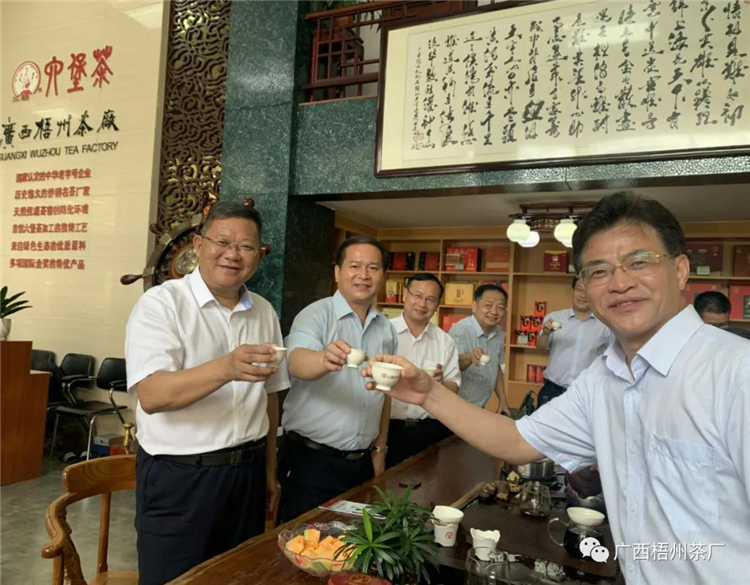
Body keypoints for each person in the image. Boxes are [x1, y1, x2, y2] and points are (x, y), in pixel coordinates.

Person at [363, 191, 750, 585]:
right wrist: (428, 393)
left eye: (638, 262)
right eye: (598, 271)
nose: (620, 283)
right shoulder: (603, 378)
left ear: (681, 269)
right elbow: (516, 440)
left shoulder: (737, 372)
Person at [125, 202, 289, 585]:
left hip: (247, 475)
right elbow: (152, 394)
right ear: (198, 244)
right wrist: (227, 367)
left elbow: (269, 397)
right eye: (223, 242)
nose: (233, 254)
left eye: (246, 247)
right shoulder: (162, 304)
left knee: (238, 577)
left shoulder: (264, 312)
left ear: (259, 255)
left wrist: (269, 471)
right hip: (180, 478)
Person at [278, 235, 398, 523]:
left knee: (355, 542)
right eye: (354, 266)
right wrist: (323, 359)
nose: (363, 275)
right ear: (337, 272)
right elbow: (295, 361)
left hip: (362, 463)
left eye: (373, 268)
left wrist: (379, 450)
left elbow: (385, 393)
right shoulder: (315, 315)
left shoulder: (386, 328)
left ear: (383, 275)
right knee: (302, 541)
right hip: (311, 461)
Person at [387, 273, 461, 468]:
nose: (422, 304)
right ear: (405, 295)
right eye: (417, 296)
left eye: (430, 299)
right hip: (389, 429)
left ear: (437, 305)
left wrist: (440, 384)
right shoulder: (384, 332)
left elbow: (454, 385)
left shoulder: (445, 341)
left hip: (430, 429)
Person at [535, 276, 613, 405]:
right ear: (573, 291)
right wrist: (546, 334)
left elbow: (614, 357)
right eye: (579, 289)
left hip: (587, 393)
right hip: (553, 389)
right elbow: (541, 349)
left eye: (587, 291)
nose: (583, 295)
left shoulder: (605, 324)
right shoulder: (554, 317)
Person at [448, 284, 509, 414]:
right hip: (457, 407)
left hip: (479, 406)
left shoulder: (498, 333)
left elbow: (496, 366)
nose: (494, 312)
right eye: (488, 305)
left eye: (500, 308)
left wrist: (503, 399)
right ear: (474, 306)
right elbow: (451, 366)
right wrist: (469, 357)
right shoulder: (461, 330)